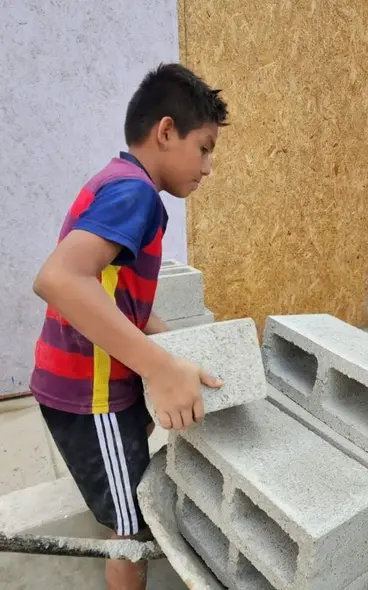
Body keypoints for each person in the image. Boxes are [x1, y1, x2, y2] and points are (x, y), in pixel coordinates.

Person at [29, 63, 228, 590]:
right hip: (91, 398)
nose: (209, 167)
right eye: (204, 148)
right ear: (166, 131)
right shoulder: (134, 194)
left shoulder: (117, 182)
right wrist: (159, 368)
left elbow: (117, 298)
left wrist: (174, 346)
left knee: (132, 485)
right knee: (132, 526)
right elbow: (59, 278)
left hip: (95, 386)